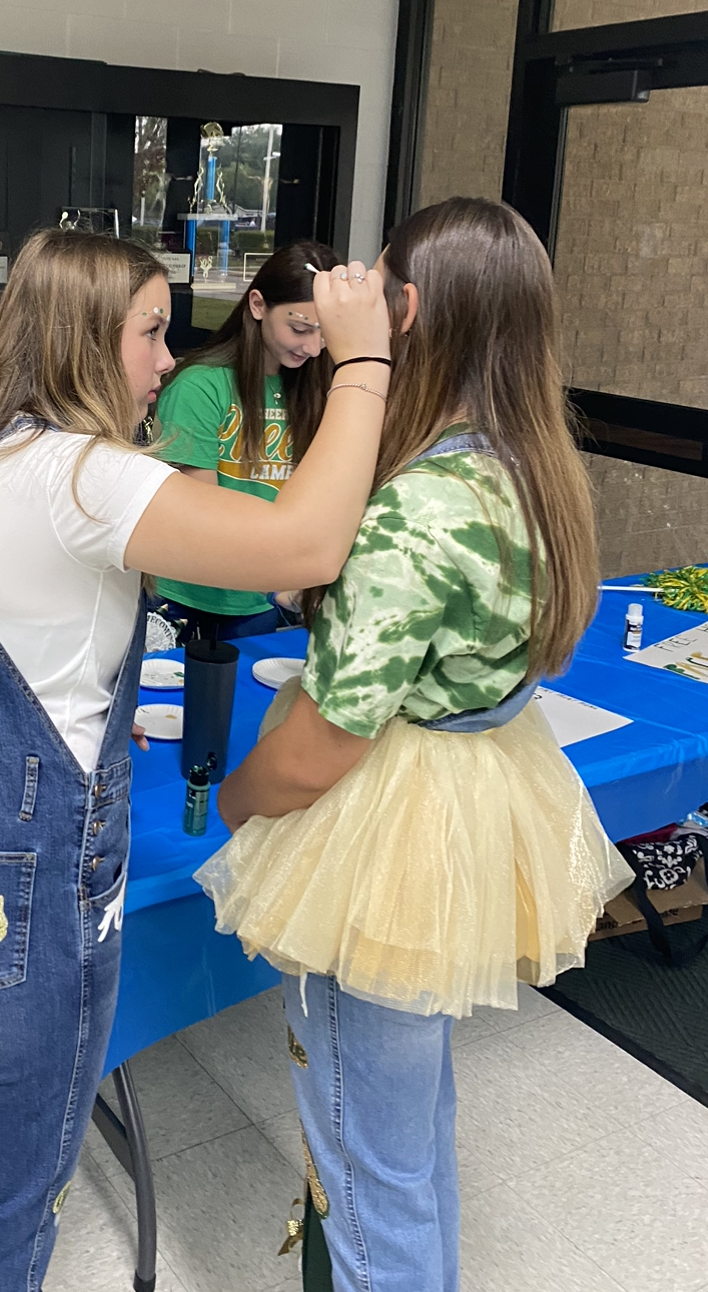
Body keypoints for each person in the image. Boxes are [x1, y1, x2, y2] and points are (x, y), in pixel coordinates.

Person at [0, 228, 393, 1291]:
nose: (164, 358)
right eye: (150, 333)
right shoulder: (83, 473)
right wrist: (364, 363)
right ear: (83, 340)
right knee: (5, 1191)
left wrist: (65, 704)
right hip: (18, 890)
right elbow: (306, 546)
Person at [196, 198, 632, 1292]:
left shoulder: (416, 507)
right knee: (411, 1126)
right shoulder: (532, 470)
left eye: (374, 284)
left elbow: (318, 747)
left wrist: (244, 799)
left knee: (360, 1151)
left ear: (413, 309)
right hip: (476, 791)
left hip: (392, 818)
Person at [153, 240, 339, 639]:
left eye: (325, 333)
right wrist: (280, 581)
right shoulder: (200, 387)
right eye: (300, 328)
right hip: (189, 596)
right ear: (257, 305)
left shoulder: (322, 388)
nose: (313, 347)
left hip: (267, 597)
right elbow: (201, 513)